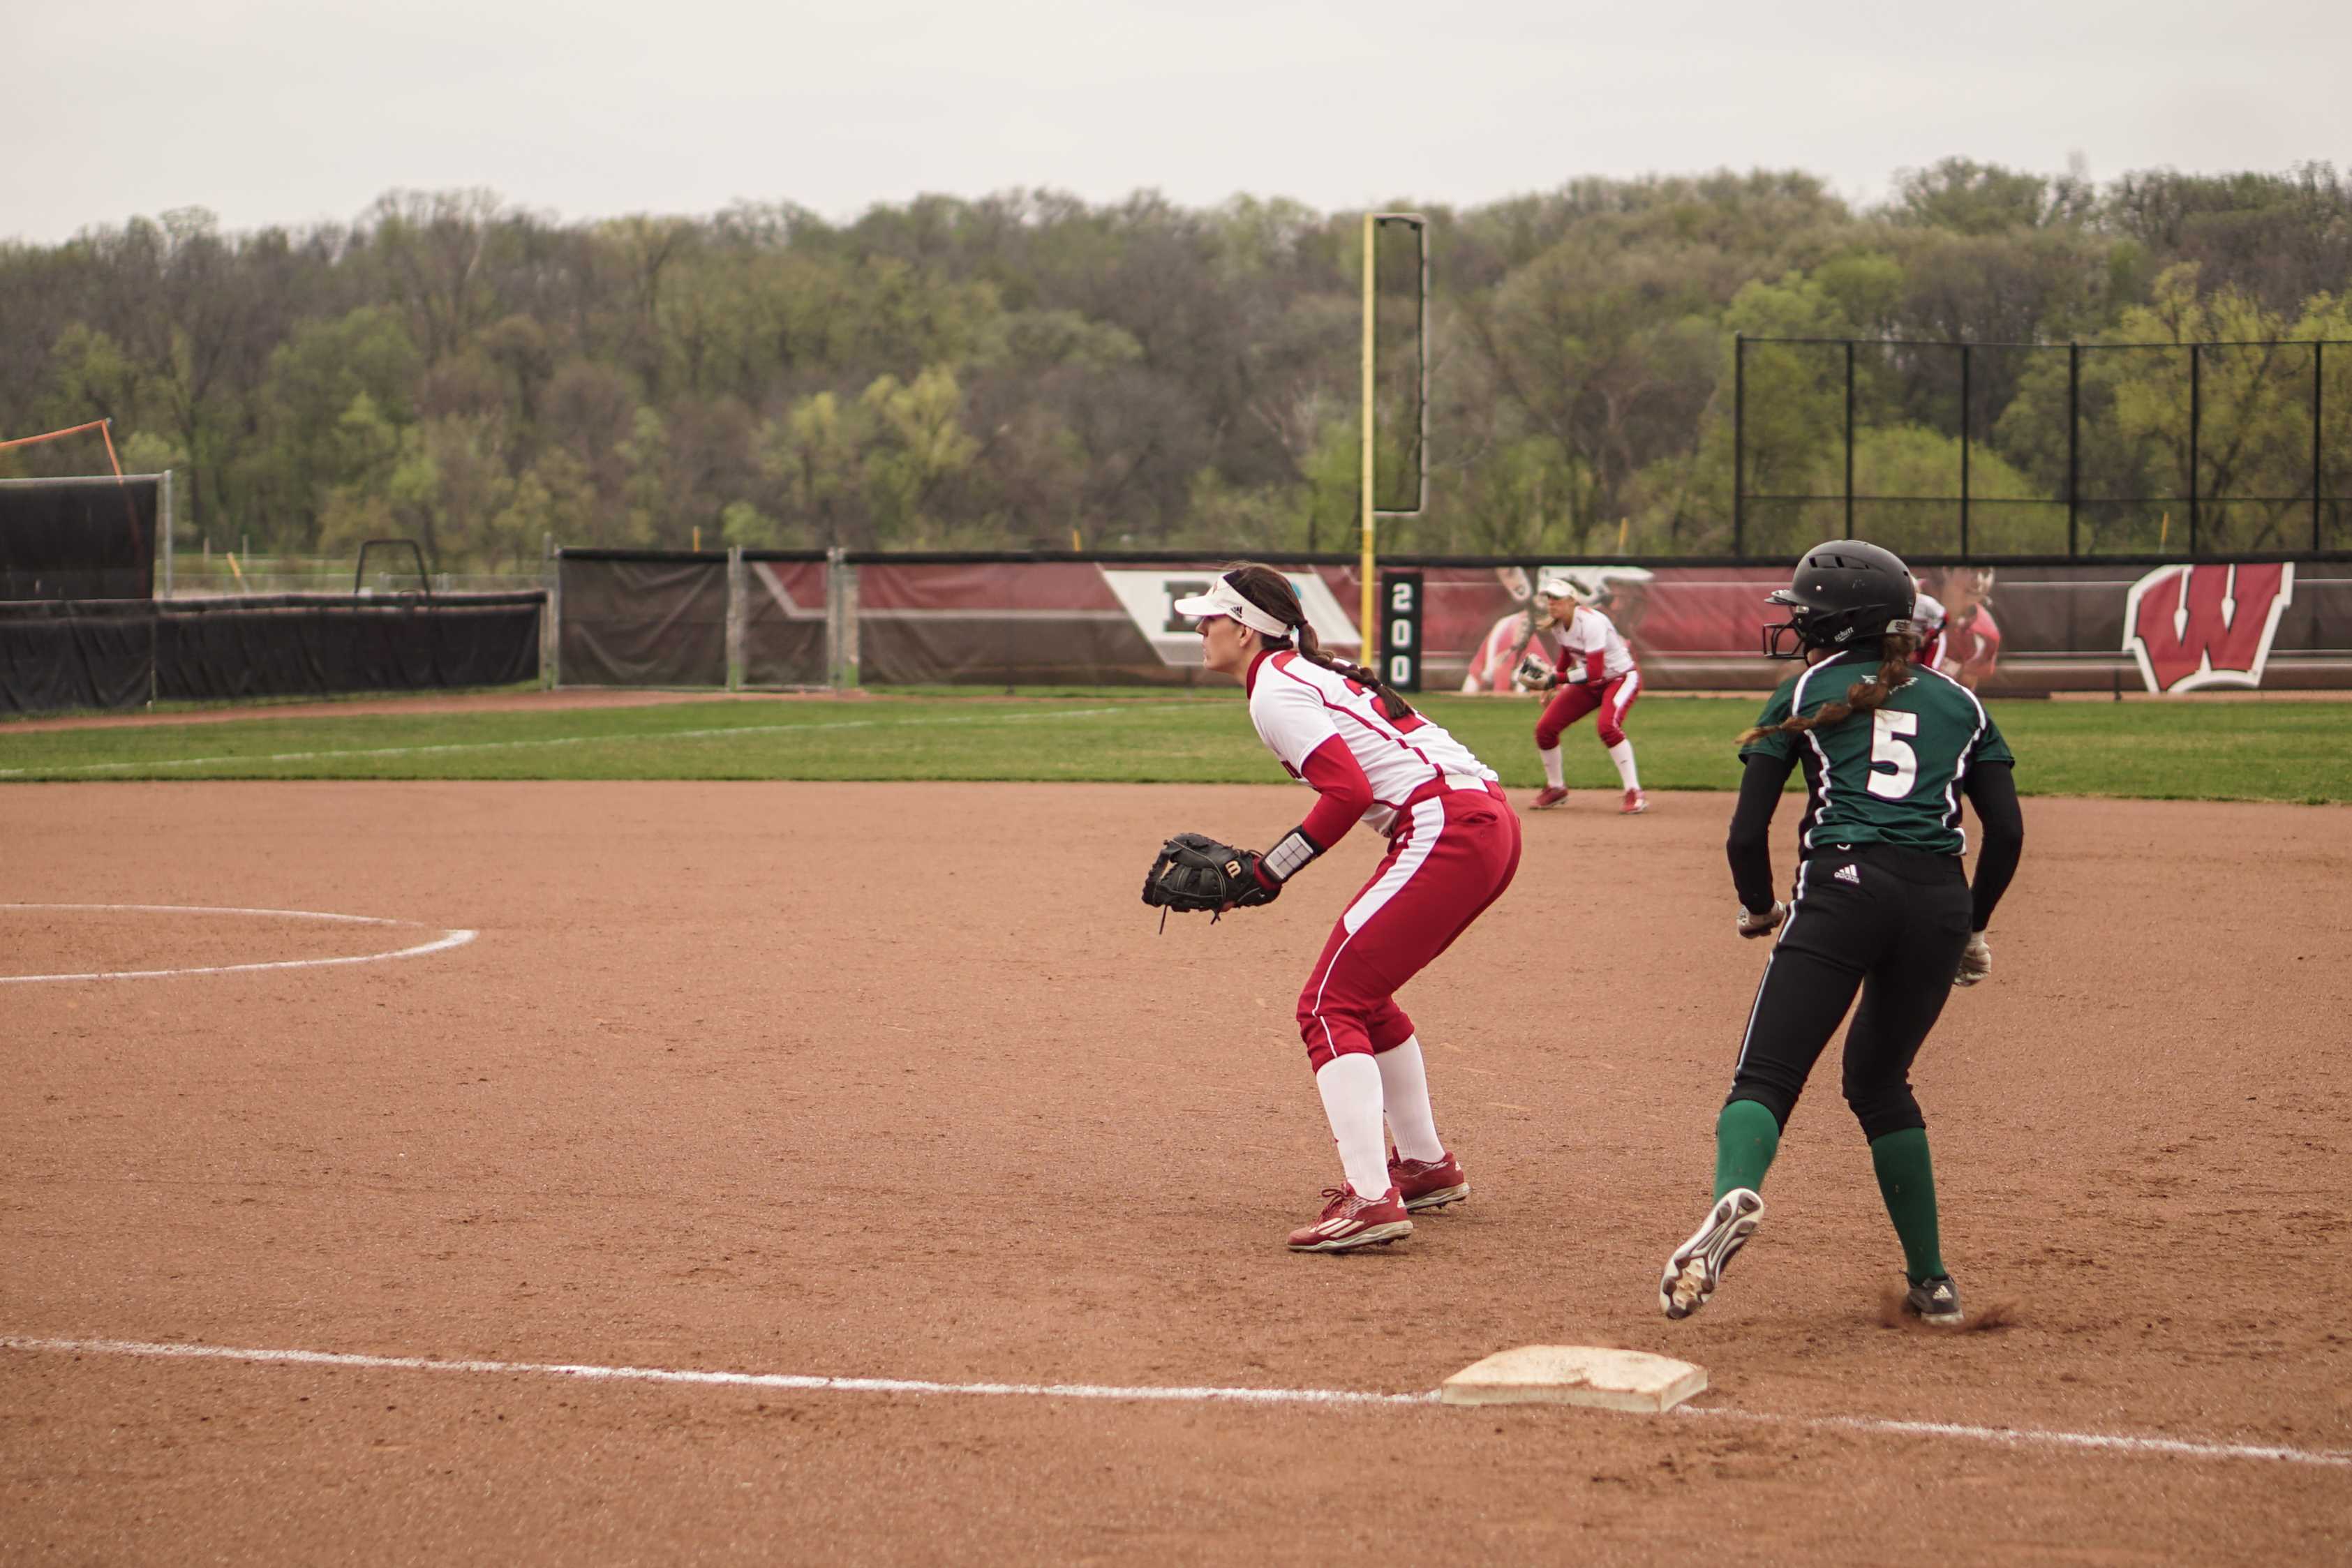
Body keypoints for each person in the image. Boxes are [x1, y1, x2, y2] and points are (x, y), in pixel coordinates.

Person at [1658, 540, 2025, 1325]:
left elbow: (1744, 831)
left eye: (1804, 612)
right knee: (1879, 1082)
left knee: (1765, 1079)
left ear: (1839, 619)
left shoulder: (1809, 688)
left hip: (1844, 886)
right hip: (1937, 903)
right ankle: (1932, 1283)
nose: (1792, 623)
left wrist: (1758, 906)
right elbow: (2009, 832)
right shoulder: (1963, 703)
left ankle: (1733, 1197)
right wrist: (1974, 924)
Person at [1177, 563, 1523, 1253]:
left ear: (1245, 631)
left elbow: (1347, 792)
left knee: (1327, 1007)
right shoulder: (1298, 674)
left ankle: (1371, 1198)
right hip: (1481, 824)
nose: (1199, 627)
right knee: (1364, 999)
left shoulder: (1275, 687)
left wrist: (1269, 871)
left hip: (1446, 828)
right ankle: (1423, 1166)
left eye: (1210, 617)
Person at [1520, 575, 1647, 814]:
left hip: (1619, 678)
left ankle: (1634, 791)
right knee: (1545, 729)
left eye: (1557, 598)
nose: (1551, 603)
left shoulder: (1591, 623)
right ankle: (1556, 788)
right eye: (1549, 598)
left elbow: (1596, 672)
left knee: (1607, 727)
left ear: (1571, 601)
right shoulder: (1557, 624)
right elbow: (1567, 657)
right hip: (1590, 682)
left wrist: (1555, 679)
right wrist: (1552, 685)